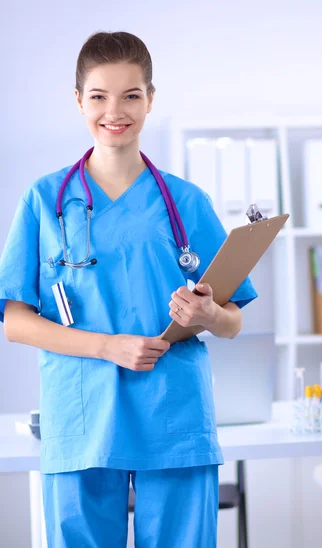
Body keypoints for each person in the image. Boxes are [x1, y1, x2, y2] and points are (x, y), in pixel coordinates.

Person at [0, 31, 258, 547]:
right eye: (98, 96)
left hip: (174, 413)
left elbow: (233, 319)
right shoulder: (45, 199)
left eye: (131, 95)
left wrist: (209, 316)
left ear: (150, 99)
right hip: (80, 415)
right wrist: (107, 346)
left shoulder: (184, 200)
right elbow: (15, 321)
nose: (114, 111)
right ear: (78, 101)